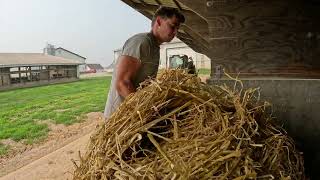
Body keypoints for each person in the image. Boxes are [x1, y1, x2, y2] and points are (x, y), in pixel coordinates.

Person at [104, 7, 185, 119]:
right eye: (172, 26)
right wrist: (145, 111)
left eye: (177, 29)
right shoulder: (141, 42)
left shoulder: (155, 47)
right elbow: (122, 83)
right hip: (120, 120)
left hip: (135, 117)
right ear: (159, 22)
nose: (175, 32)